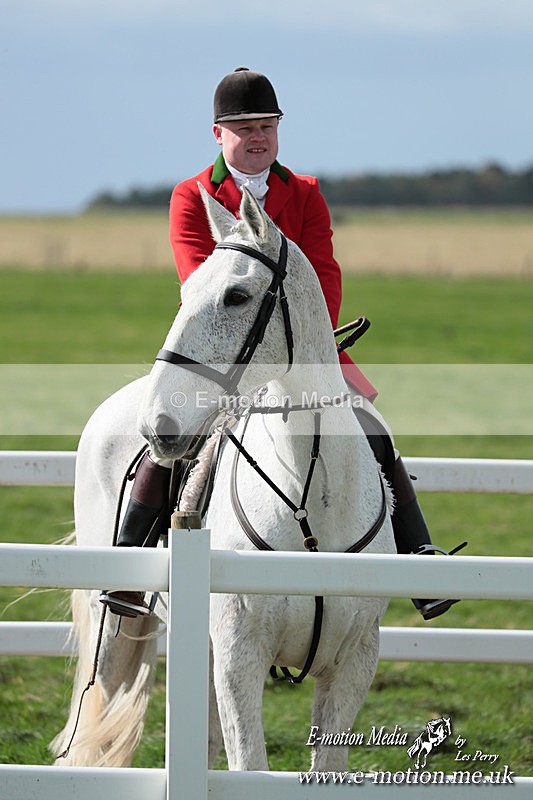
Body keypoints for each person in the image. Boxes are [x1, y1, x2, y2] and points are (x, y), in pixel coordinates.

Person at [101, 67, 459, 620]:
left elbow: (323, 279)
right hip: (220, 352)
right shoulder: (190, 196)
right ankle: (128, 570)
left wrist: (302, 343)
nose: (258, 136)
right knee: (168, 440)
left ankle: (418, 561)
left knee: (374, 433)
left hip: (306, 352)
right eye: (244, 127)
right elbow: (201, 286)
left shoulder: (307, 194)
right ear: (218, 134)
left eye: (267, 125)